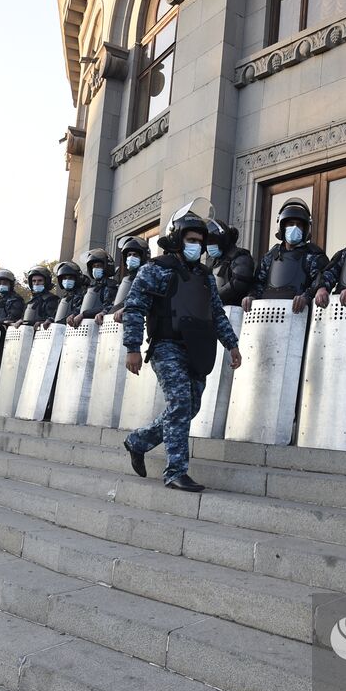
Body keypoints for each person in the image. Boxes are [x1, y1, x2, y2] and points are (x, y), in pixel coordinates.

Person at [122, 200, 242, 492]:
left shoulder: (204, 276)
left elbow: (215, 312)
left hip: (197, 348)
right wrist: (133, 347)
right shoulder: (155, 269)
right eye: (191, 240)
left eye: (200, 242)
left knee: (191, 406)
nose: (197, 247)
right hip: (167, 346)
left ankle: (138, 441)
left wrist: (232, 344)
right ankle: (176, 472)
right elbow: (134, 307)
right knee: (179, 403)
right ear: (177, 239)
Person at [242, 197, 327, 314]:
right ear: (282, 227)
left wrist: (306, 297)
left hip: (297, 315)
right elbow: (258, 283)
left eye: (299, 225)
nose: (294, 228)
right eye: (290, 224)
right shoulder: (270, 256)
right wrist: (251, 296)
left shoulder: (313, 256)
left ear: (305, 229)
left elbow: (319, 282)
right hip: (266, 314)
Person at [99, 237, 151, 324]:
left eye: (135, 255)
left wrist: (126, 308)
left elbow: (146, 299)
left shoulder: (148, 277)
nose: (131, 258)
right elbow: (117, 303)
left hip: (139, 325)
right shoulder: (127, 279)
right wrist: (104, 312)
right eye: (129, 255)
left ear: (143, 257)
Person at [206, 217, 256, 307]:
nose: (209, 245)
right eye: (207, 243)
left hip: (234, 311)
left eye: (212, 241)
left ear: (222, 239)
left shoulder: (241, 257)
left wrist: (213, 298)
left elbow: (239, 284)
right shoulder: (215, 263)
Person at [71, 248, 118, 324]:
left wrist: (84, 314)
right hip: (86, 325)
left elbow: (109, 306)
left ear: (106, 267)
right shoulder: (90, 287)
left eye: (99, 266)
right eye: (94, 266)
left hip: (101, 325)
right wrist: (74, 314)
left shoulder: (111, 285)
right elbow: (82, 305)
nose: (95, 269)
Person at [0, 269, 26, 335]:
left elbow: (13, 317)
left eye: (5, 283)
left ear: (11, 285)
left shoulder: (15, 299)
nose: (2, 285)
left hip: (9, 335)